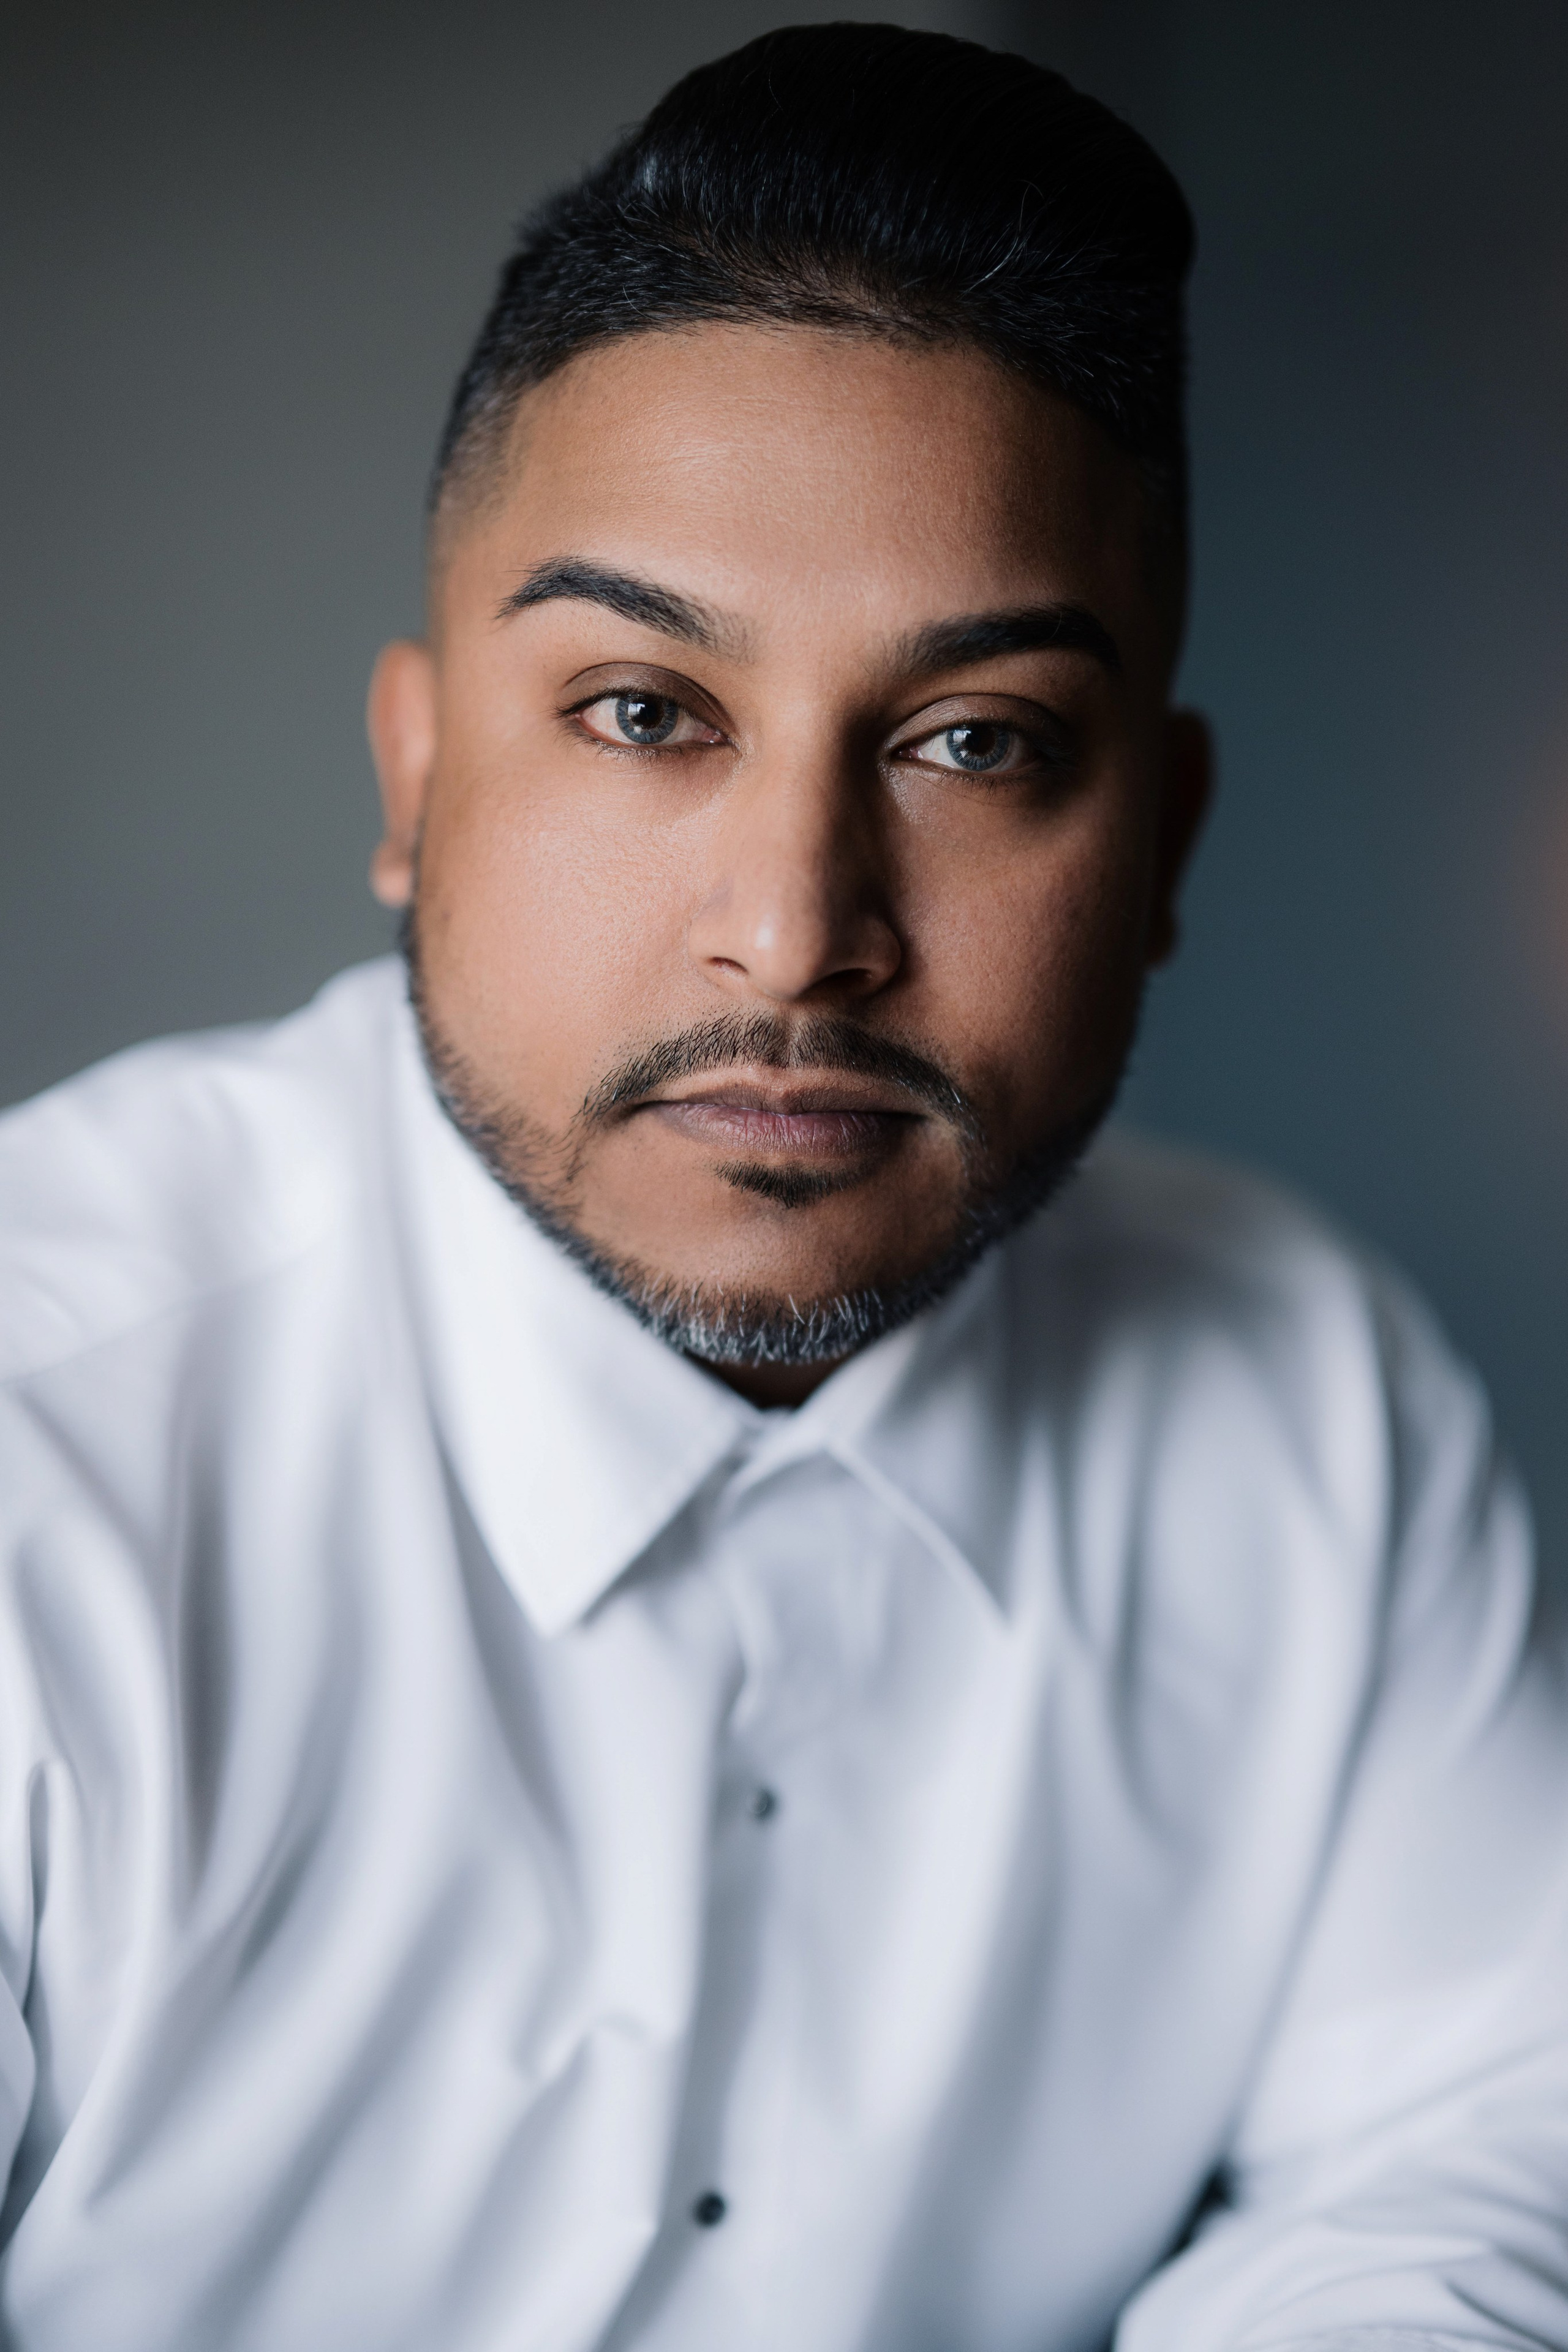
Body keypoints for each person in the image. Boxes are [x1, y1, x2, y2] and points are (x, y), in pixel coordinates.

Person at [2, 21, 1567, 2349]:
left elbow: (1476, 2147)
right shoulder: (44, 1445)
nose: (797, 923)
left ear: (1167, 846)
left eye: (976, 743)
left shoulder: (1315, 1410)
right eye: (645, 708)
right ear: (419, 780)